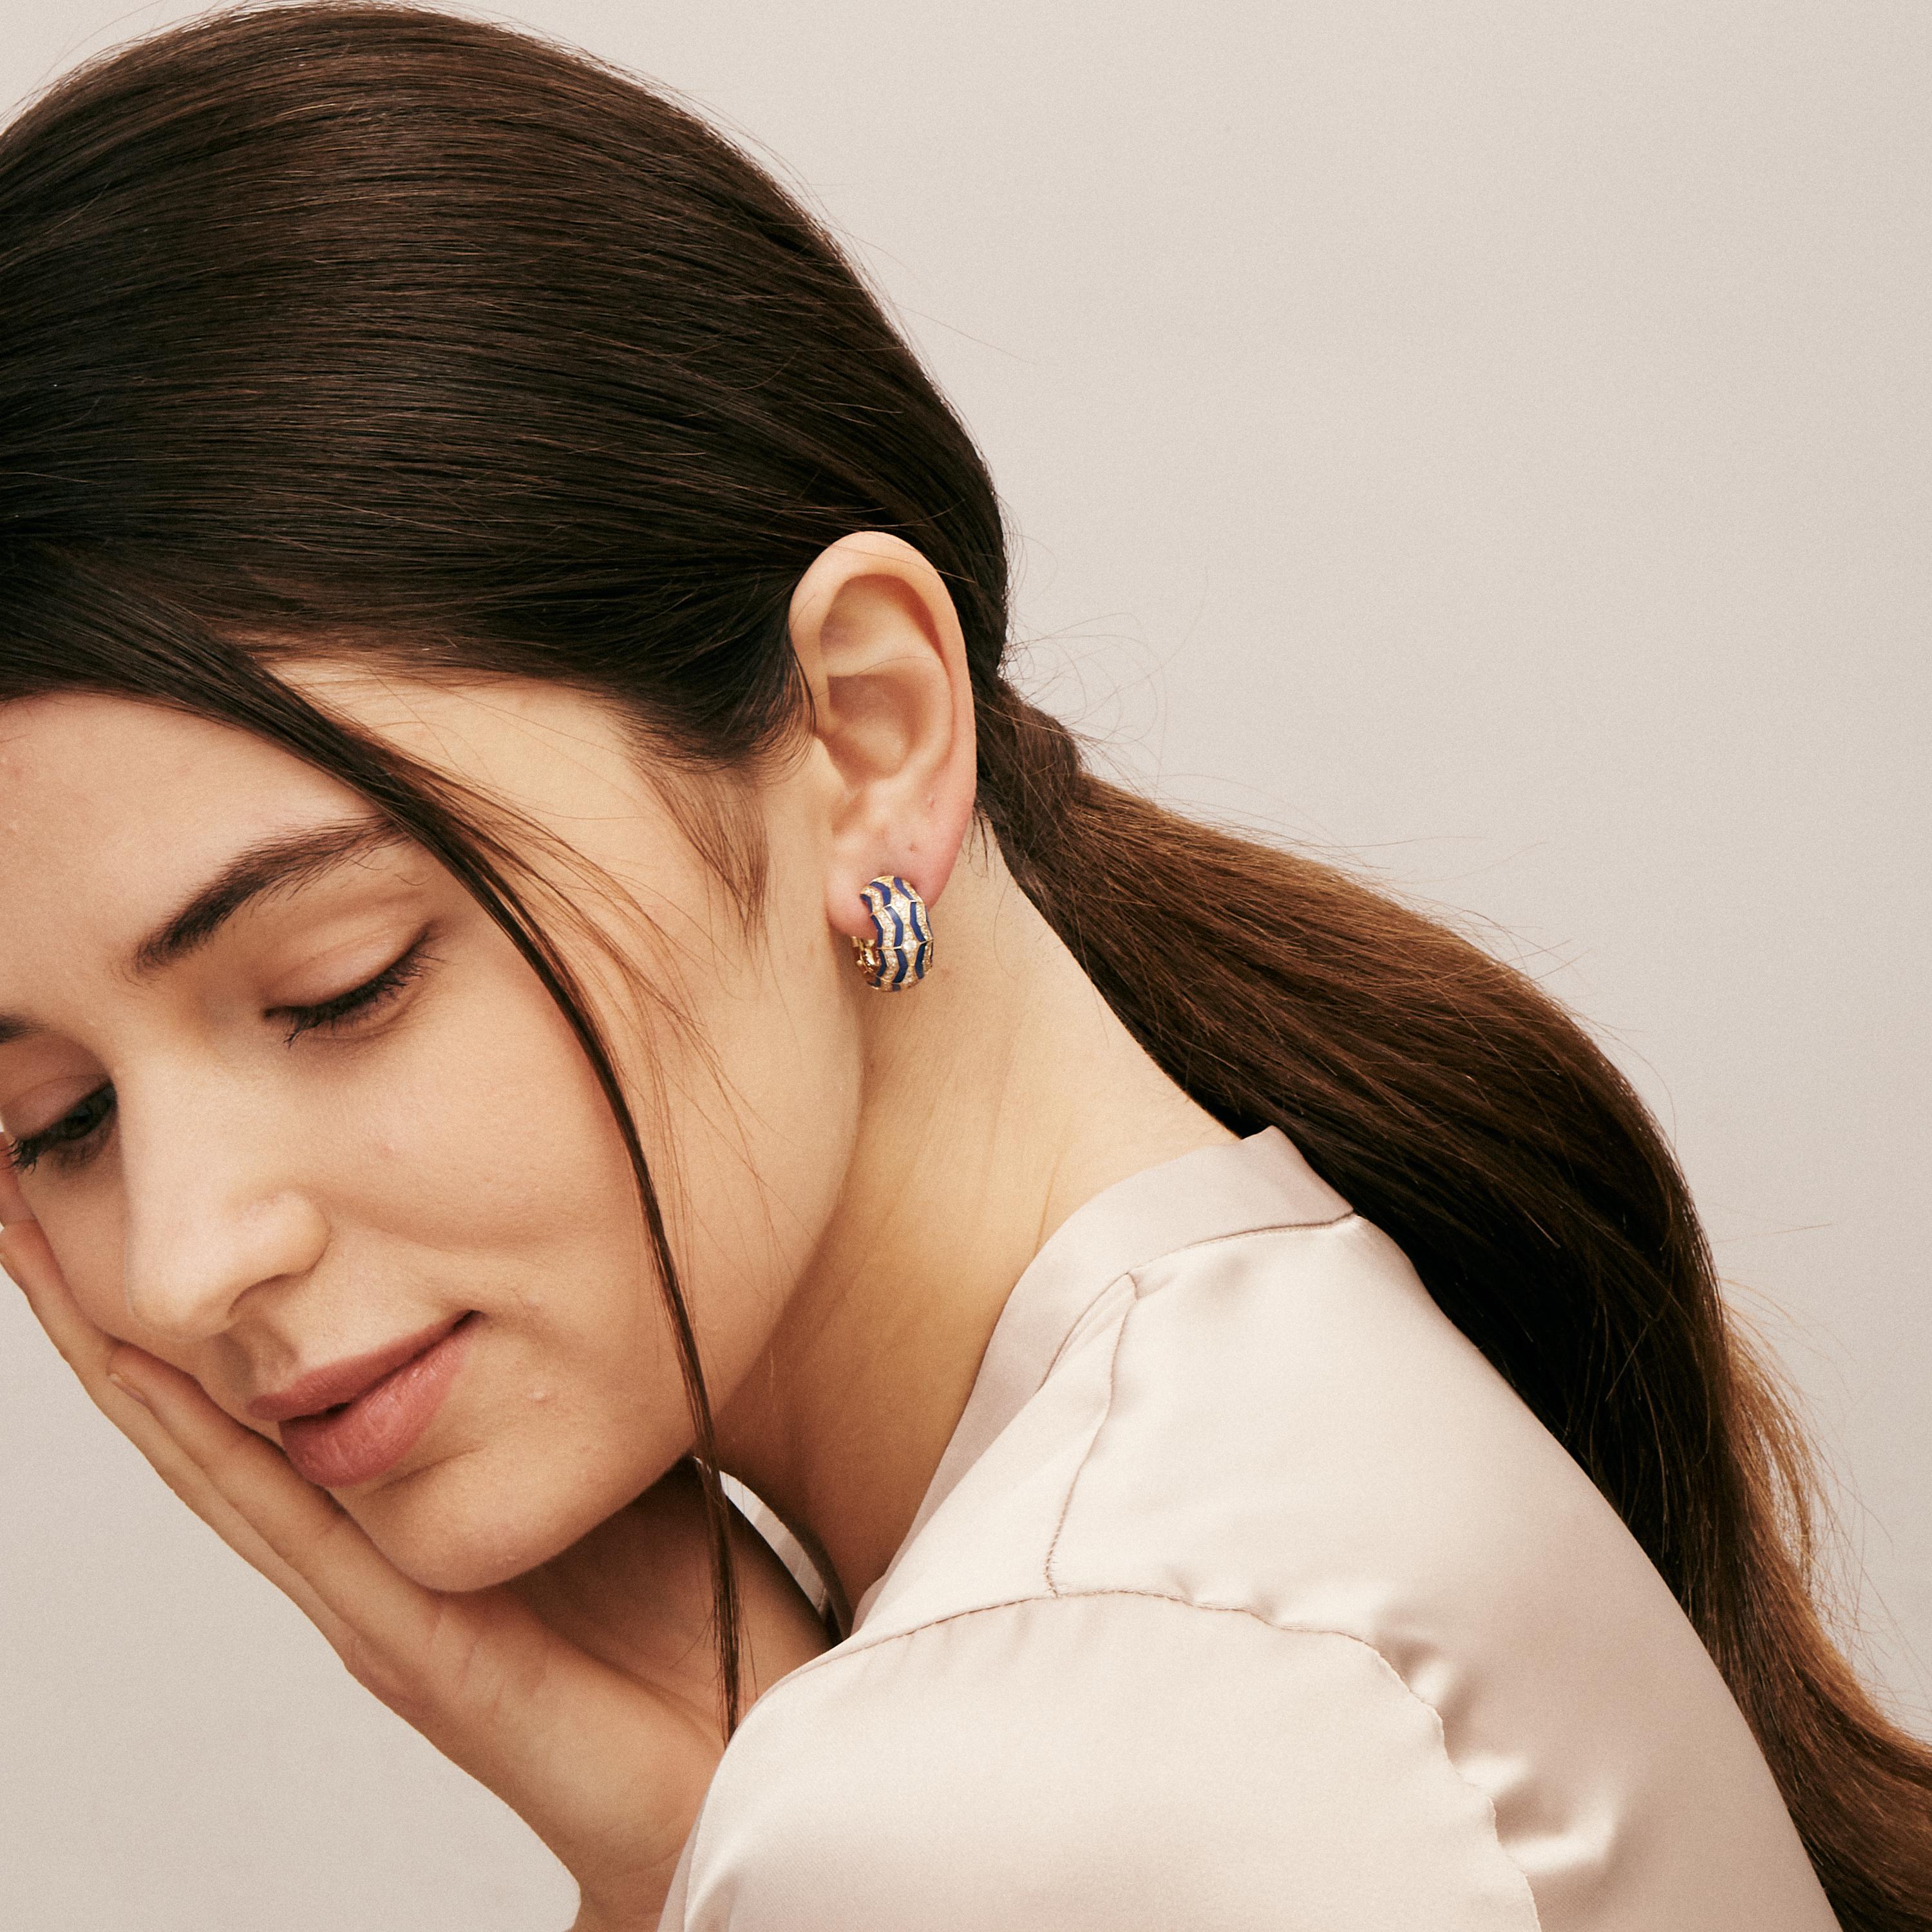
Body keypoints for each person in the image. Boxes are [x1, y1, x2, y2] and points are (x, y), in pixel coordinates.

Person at [0, 6, 1925, 1928]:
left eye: (338, 981)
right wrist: (683, 1855)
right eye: (51, 1116)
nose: (180, 1264)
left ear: (865, 734)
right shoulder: (1234, 1519)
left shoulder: (1040, 1770)